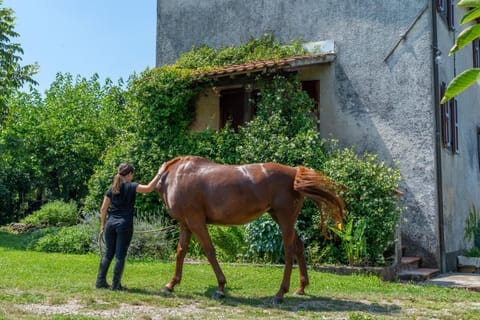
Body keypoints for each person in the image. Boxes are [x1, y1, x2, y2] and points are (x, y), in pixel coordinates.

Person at [95, 162, 164, 290]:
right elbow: (149, 188)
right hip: (124, 225)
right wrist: (159, 173)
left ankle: (100, 283)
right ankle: (116, 286)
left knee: (108, 253)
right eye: (133, 174)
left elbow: (103, 209)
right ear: (130, 174)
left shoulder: (111, 189)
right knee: (120, 255)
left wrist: (103, 225)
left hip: (110, 224)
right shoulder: (132, 186)